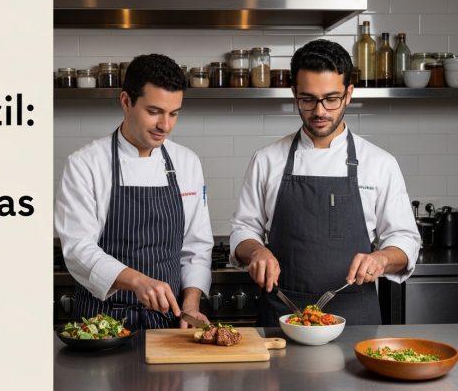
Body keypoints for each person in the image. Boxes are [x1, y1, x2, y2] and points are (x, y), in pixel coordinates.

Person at [230, 39, 421, 326]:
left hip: (355, 318)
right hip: (282, 315)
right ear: (294, 94)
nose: (320, 111)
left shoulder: (380, 163)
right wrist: (257, 251)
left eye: (331, 99)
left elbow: (405, 239)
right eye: (308, 99)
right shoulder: (267, 160)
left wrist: (381, 259)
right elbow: (243, 229)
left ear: (348, 94)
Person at [55, 54, 213, 329]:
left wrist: (190, 304)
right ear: (126, 101)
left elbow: (196, 246)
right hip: (101, 324)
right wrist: (137, 281)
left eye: (173, 113)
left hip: (168, 322)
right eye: (154, 112)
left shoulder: (187, 162)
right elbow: (78, 249)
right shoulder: (85, 163)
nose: (165, 125)